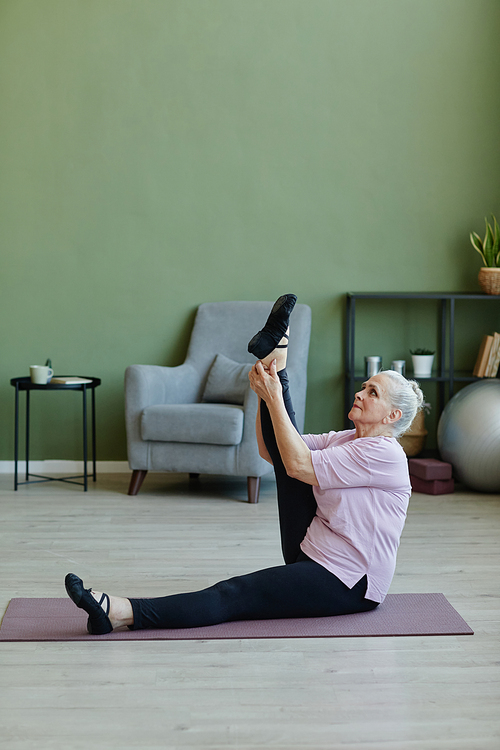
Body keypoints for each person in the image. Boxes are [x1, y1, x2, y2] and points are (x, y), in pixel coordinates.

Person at [65, 294, 424, 635]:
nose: (360, 393)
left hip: (349, 581)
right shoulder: (348, 438)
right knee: (290, 450)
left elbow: (298, 465)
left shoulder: (385, 454)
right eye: (364, 386)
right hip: (314, 548)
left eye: (372, 392)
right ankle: (275, 362)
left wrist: (274, 397)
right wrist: (262, 397)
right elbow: (275, 455)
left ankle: (119, 612)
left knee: (233, 594)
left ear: (393, 415)